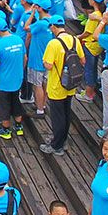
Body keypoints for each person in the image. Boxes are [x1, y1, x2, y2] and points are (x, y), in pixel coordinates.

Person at [41, 16, 84, 156]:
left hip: (56, 85)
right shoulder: (74, 40)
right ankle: (62, 140)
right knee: (66, 114)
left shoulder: (53, 43)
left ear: (53, 27)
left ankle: (56, 145)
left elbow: (48, 65)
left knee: (57, 117)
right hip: (70, 84)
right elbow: (82, 60)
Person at [0, 16, 26, 139]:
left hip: (3, 82)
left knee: (4, 106)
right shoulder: (19, 40)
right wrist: (20, 71)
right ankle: (19, 127)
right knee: (16, 103)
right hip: (17, 79)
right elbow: (25, 58)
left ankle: (6, 130)